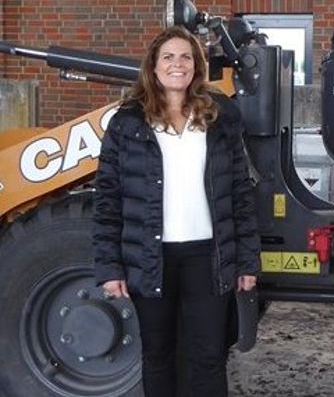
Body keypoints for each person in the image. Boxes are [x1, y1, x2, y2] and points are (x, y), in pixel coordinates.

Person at [93, 25, 260, 397]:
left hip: (208, 257)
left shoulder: (220, 117)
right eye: (168, 56)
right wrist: (110, 267)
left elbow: (239, 193)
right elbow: (107, 199)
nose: (177, 64)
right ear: (153, 67)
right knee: (157, 353)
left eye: (186, 56)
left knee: (210, 355)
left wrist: (247, 262)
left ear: (197, 66)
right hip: (150, 257)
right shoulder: (127, 123)